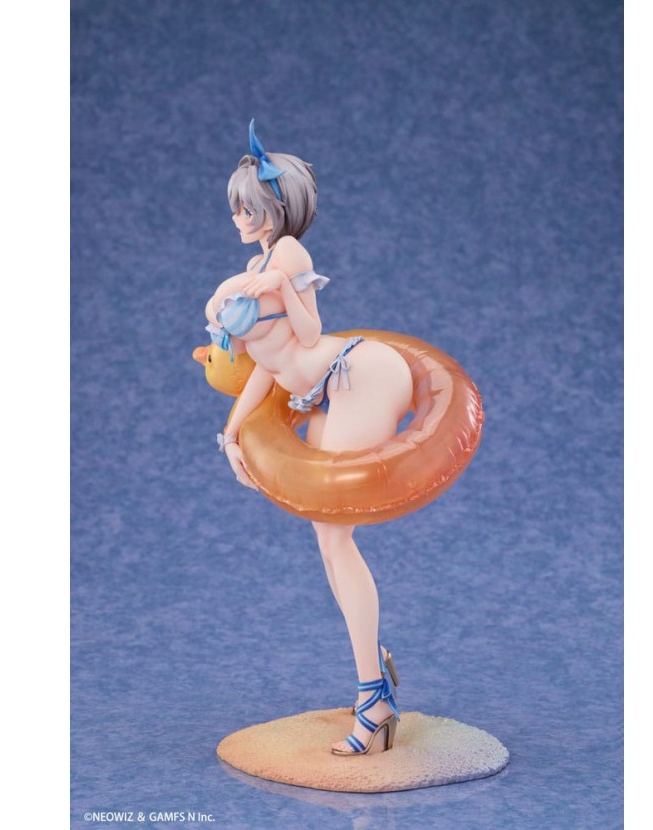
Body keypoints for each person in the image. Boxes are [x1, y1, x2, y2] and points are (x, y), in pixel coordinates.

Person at [205, 122, 412, 755]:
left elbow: (311, 329)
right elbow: (269, 367)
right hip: (319, 391)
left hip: (357, 375)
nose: (240, 217)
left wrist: (273, 288)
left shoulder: (289, 254)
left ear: (276, 208)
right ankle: (374, 674)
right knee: (329, 544)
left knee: (335, 535)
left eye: (249, 207)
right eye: (236, 207)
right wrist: (231, 434)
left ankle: (373, 697)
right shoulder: (256, 263)